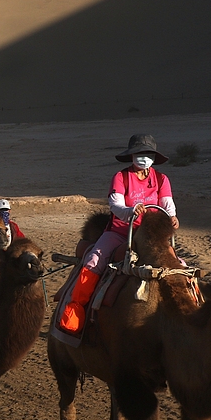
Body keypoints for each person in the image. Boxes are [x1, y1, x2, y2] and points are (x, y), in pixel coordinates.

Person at [58, 134, 178, 335]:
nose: (143, 158)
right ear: (131, 155)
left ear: (153, 157)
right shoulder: (121, 177)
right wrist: (131, 211)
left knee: (179, 266)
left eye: (147, 153)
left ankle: (190, 309)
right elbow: (115, 204)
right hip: (121, 232)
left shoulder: (161, 179)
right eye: (139, 153)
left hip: (151, 236)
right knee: (93, 261)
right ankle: (75, 311)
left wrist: (173, 217)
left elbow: (167, 203)